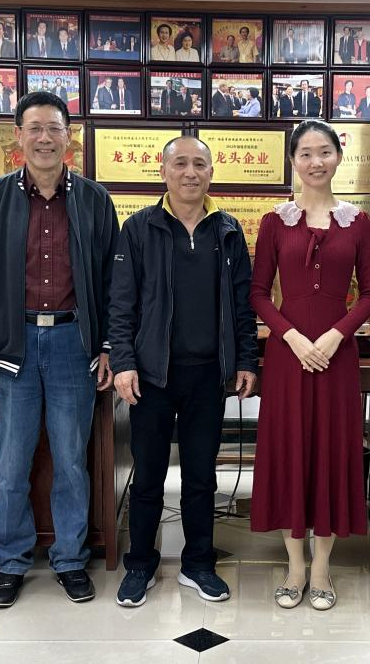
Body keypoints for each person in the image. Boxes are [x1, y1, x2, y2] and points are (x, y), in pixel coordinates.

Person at [0, 91, 120, 609]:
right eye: (35, 128)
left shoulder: (94, 200)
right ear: (18, 136)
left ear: (70, 137)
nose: (45, 138)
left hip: (73, 341)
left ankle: (70, 559)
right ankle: (10, 560)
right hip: (12, 343)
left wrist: (109, 346)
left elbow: (113, 282)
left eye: (54, 128)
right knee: (12, 462)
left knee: (71, 460)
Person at [109, 136, 258, 607]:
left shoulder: (228, 231)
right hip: (153, 376)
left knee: (200, 477)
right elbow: (121, 304)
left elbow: (242, 305)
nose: (190, 172)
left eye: (199, 164)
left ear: (211, 172)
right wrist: (124, 363)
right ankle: (140, 564)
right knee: (148, 476)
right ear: (163, 171)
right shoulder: (139, 228)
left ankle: (198, 564)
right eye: (180, 164)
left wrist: (246, 360)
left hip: (208, 376)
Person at [249, 120, 370, 611]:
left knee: (330, 452)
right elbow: (258, 293)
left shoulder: (358, 222)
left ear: (338, 157)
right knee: (290, 452)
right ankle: (295, 567)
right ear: (293, 161)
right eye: (305, 153)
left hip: (336, 357)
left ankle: (322, 568)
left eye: (324, 152)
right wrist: (293, 337)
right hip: (288, 356)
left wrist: (335, 334)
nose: (315, 161)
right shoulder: (275, 221)